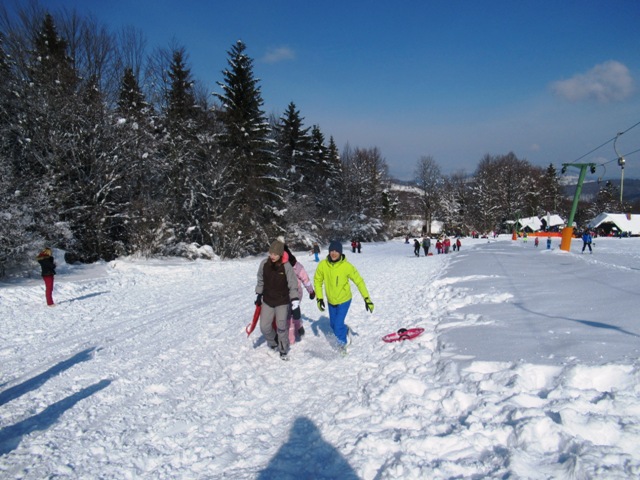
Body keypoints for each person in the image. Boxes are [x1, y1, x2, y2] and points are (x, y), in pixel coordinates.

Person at [314, 241, 373, 351]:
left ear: (340, 252)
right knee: (333, 325)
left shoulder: (347, 266)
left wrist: (366, 299)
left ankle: (342, 345)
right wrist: (319, 298)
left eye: (336, 251)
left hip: (344, 300)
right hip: (331, 301)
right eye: (332, 250)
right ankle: (344, 330)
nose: (334, 253)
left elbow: (359, 281)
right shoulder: (323, 265)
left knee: (337, 325)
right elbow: (317, 281)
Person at [255, 240, 300, 360]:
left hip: (282, 301)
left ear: (280, 254)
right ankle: (274, 342)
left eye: (275, 254)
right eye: (271, 253)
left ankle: (283, 349)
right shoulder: (264, 264)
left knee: (281, 326)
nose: (272, 256)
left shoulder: (286, 266)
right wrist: (259, 295)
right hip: (268, 300)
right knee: (264, 327)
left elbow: (293, 284)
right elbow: (260, 279)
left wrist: (295, 301)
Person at [282, 245, 315, 345]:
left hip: (296, 293)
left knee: (290, 315)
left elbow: (305, 279)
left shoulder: (296, 266)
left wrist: (311, 291)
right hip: (282, 294)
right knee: (285, 313)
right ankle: (299, 326)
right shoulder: (276, 266)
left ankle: (290, 339)